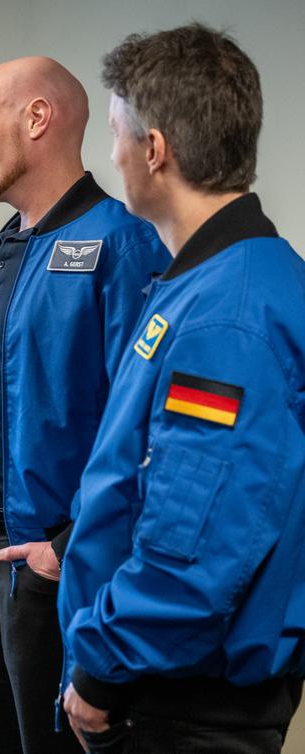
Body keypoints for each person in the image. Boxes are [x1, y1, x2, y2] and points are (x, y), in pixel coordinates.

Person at [59, 24, 305, 753]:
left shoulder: (228, 316)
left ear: (154, 149)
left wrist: (99, 674)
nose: (111, 157)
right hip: (163, 671)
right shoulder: (211, 280)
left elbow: (198, 541)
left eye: (114, 134)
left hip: (178, 694)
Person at [0, 57, 171, 753]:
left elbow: (148, 425)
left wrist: (67, 549)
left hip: (55, 562)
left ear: (37, 119)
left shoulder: (123, 245)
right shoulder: (5, 247)